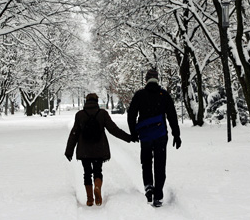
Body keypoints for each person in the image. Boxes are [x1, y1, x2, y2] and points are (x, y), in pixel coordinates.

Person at [65, 93, 133, 206]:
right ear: (96, 101)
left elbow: (74, 133)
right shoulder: (102, 114)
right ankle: (97, 187)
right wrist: (128, 138)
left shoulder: (80, 115)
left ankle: (90, 199)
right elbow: (113, 129)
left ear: (86, 101)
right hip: (99, 149)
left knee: (87, 173)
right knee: (97, 171)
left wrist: (69, 150)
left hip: (84, 150)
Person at [127, 68, 181, 207]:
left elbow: (131, 114)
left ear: (146, 80)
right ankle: (158, 195)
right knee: (160, 164)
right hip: (160, 135)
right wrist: (176, 134)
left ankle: (149, 188)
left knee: (146, 163)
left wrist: (133, 132)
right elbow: (172, 116)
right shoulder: (164, 95)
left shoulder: (140, 95)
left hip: (145, 136)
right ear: (157, 79)